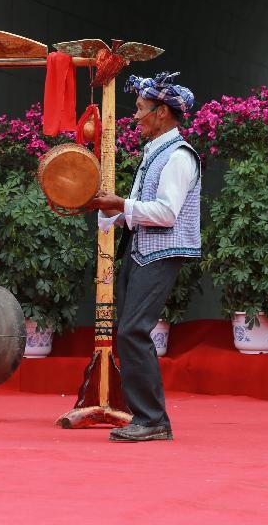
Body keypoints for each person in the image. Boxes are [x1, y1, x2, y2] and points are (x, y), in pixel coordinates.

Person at [89, 72, 200, 442]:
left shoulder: (179, 156)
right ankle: (147, 417)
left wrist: (119, 204)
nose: (135, 116)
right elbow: (142, 209)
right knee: (130, 332)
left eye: (140, 109)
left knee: (133, 331)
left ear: (162, 112)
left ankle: (152, 419)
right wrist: (110, 211)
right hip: (142, 250)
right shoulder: (156, 153)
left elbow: (166, 213)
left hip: (161, 253)